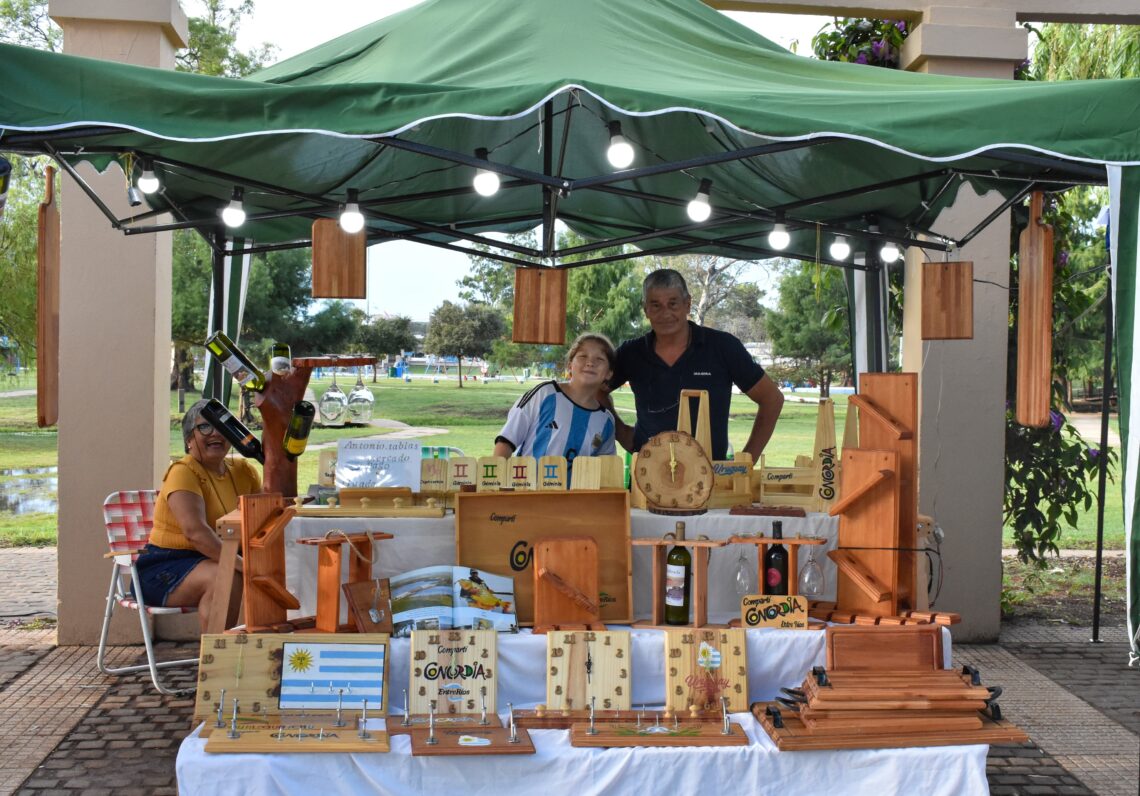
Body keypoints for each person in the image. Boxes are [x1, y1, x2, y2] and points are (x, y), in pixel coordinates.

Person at [605, 268, 784, 462]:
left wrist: (746, 461)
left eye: (673, 304)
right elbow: (594, 390)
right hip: (647, 478)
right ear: (645, 309)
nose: (665, 313)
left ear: (687, 304)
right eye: (655, 305)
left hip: (710, 480)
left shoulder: (722, 347)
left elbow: (772, 399)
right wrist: (621, 432)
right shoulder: (632, 353)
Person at [134, 399, 261, 631]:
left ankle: (255, 648)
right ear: (189, 439)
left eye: (223, 427)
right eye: (205, 427)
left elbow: (267, 516)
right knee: (226, 574)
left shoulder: (245, 471)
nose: (215, 433)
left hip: (219, 558)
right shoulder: (183, 471)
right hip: (165, 565)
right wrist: (246, 565)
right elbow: (196, 533)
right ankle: (215, 660)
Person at [493, 333, 617, 466]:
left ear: (609, 373)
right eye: (583, 356)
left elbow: (605, 469)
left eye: (599, 359)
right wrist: (497, 482)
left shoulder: (606, 421)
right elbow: (506, 441)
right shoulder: (544, 394)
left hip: (577, 488)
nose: (590, 363)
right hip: (525, 486)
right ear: (570, 365)